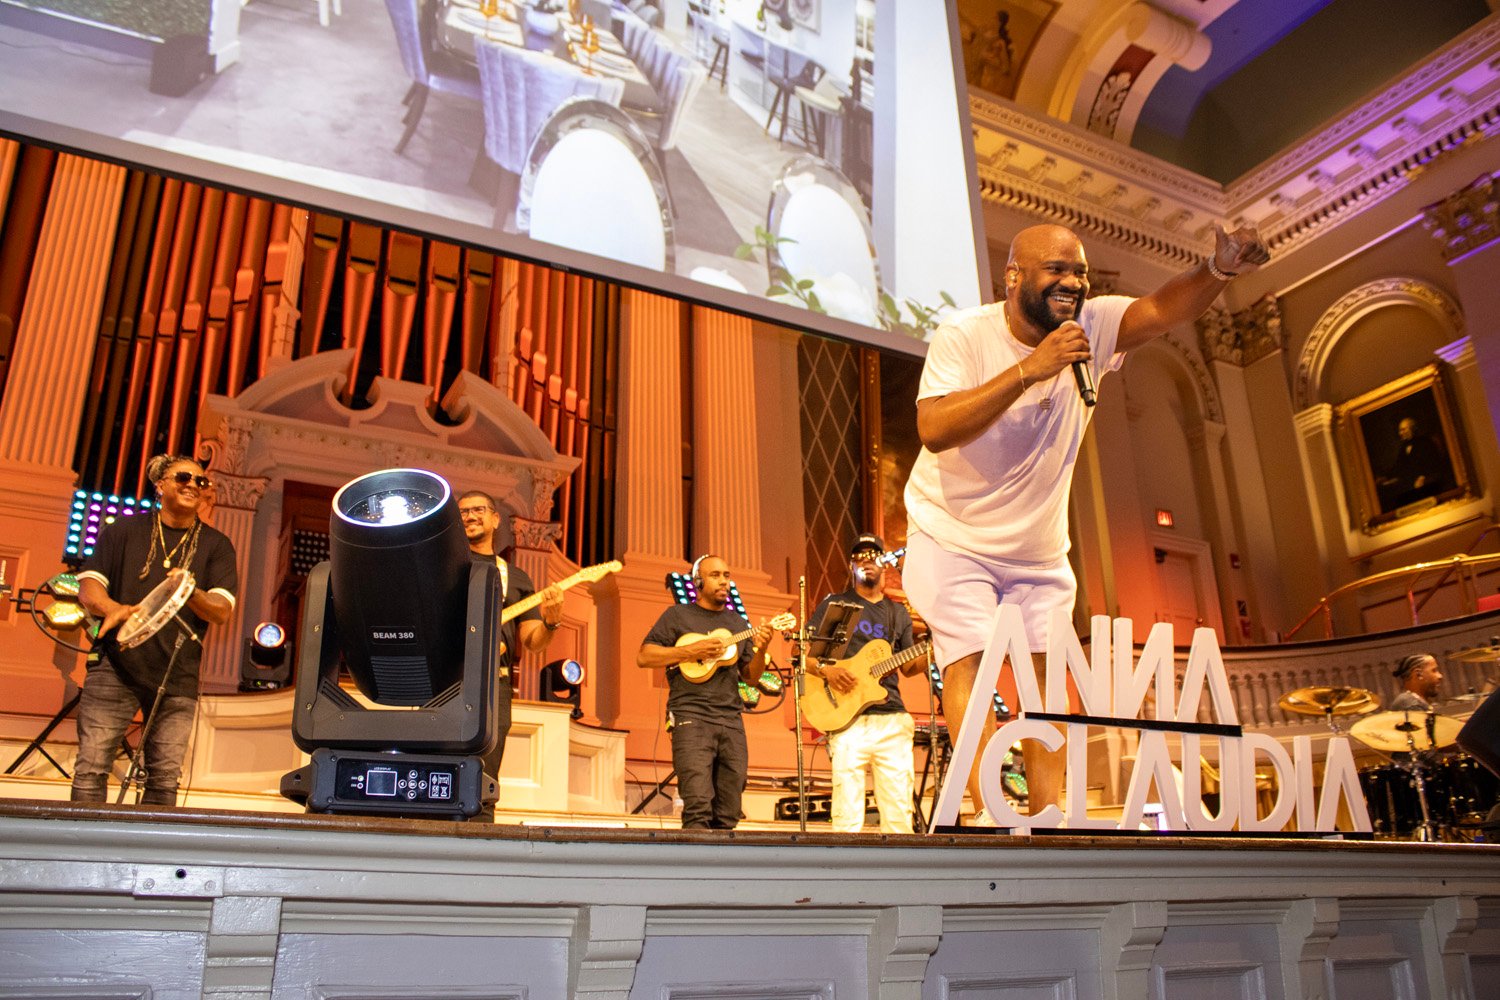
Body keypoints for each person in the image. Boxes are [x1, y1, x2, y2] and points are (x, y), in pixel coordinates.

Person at [901, 222, 1270, 824]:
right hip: (952, 534)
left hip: (1039, 548)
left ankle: (1046, 820)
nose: (1073, 282)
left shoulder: (1091, 326)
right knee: (971, 660)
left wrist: (1219, 269)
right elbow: (934, 429)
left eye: (1079, 271)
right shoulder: (965, 334)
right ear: (1013, 276)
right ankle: (989, 814)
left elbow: (1162, 309)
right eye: (1057, 269)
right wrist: (1031, 368)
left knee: (1048, 680)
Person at [72, 454, 238, 805]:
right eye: (183, 478)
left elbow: (222, 611)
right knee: (92, 768)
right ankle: (84, 841)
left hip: (177, 674)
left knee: (163, 779)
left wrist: (188, 590)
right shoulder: (123, 530)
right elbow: (88, 587)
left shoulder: (217, 544)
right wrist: (112, 608)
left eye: (201, 481)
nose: (193, 485)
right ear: (160, 485)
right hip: (115, 665)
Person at [637, 555, 773, 830]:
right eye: (715, 575)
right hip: (691, 715)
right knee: (697, 804)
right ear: (698, 582)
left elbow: (751, 677)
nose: (724, 581)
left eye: (727, 575)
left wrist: (762, 649)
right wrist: (690, 651)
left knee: (729, 810)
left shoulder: (738, 623)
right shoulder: (677, 616)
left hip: (731, 720)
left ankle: (724, 859)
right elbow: (644, 656)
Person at [459, 489, 564, 819]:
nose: (470, 516)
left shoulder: (515, 577)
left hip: (495, 685)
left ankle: (481, 840)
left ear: (495, 519)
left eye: (478, 509)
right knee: (439, 770)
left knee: (485, 777)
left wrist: (550, 622)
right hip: (448, 680)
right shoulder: (444, 566)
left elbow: (533, 641)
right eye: (462, 512)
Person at [807, 533, 921, 834]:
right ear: (851, 565)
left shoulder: (898, 613)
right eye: (859, 556)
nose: (866, 561)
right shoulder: (837, 604)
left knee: (899, 815)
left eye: (873, 555)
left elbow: (909, 667)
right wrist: (828, 672)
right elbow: (805, 658)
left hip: (892, 717)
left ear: (884, 564)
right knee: (847, 816)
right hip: (848, 720)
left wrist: (935, 650)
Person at [1380, 416, 1451, 509]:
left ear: (1412, 429)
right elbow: (1398, 466)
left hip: (1426, 480)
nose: (1400, 433)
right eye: (1400, 430)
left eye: (1403, 429)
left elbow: (1433, 463)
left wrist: (1423, 477)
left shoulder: (1425, 442)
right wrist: (1386, 477)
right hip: (1408, 482)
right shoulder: (1404, 447)